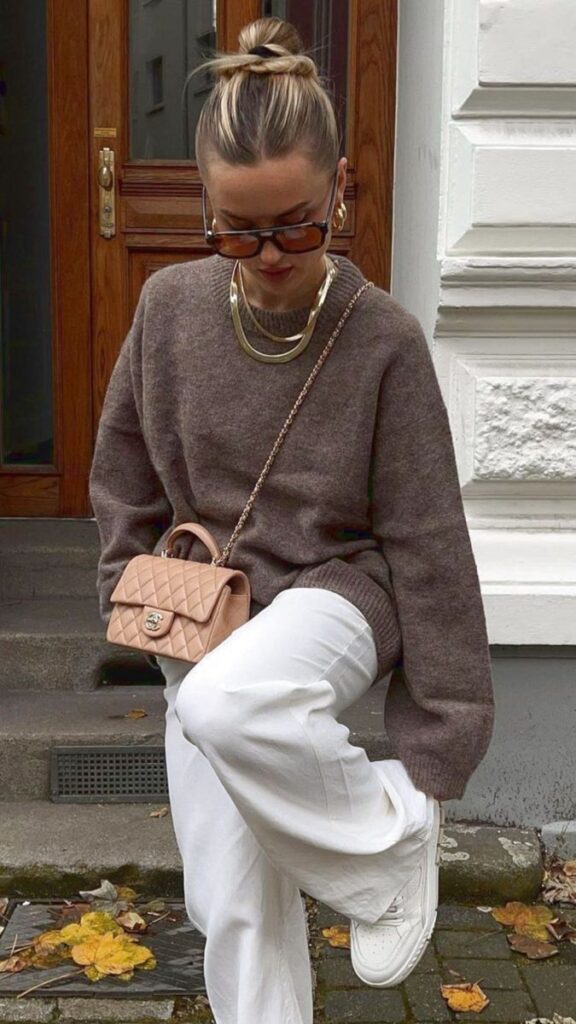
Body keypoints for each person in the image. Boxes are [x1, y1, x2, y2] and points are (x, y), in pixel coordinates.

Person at [89, 15, 495, 1024]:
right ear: (205, 207)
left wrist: (440, 736)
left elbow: (428, 538)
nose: (267, 255)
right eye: (236, 228)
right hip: (207, 604)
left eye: (296, 224)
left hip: (338, 591)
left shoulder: (384, 342)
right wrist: (128, 587)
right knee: (227, 898)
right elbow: (123, 466)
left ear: (342, 186)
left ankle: (395, 834)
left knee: (229, 704)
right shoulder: (169, 309)